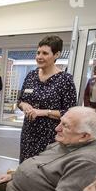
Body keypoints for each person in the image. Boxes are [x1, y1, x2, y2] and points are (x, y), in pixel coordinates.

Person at [0, 106, 96, 191]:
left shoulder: (88, 162)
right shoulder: (67, 143)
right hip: (14, 188)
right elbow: (39, 166)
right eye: (60, 122)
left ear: (84, 136)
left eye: (65, 126)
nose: (57, 128)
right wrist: (13, 176)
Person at [18, 35, 76, 163]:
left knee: (43, 173)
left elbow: (70, 113)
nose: (39, 56)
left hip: (50, 137)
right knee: (25, 168)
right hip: (28, 134)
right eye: (38, 52)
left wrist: (43, 112)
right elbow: (20, 100)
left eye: (45, 53)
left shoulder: (65, 80)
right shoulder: (31, 76)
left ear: (56, 55)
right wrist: (24, 105)